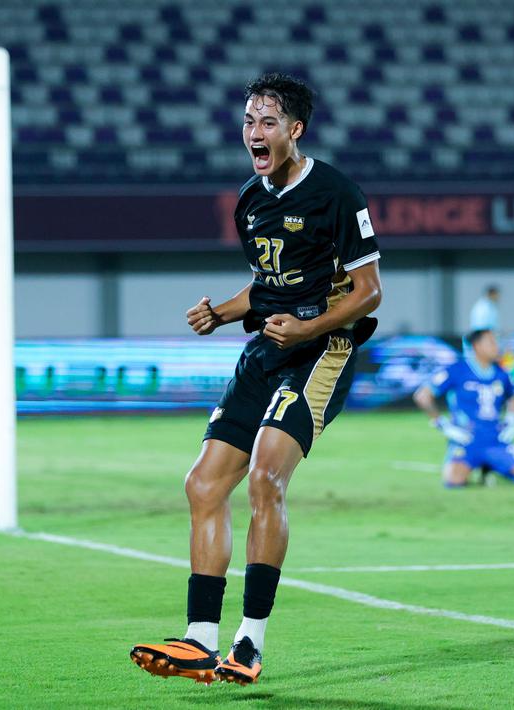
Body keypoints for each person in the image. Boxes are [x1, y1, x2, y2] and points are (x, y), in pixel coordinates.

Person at [129, 73, 382, 686]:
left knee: (266, 478)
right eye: (248, 121)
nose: (254, 132)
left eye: (268, 122)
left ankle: (249, 641)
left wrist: (308, 327)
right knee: (202, 484)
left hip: (320, 350)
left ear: (295, 130)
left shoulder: (336, 193)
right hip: (266, 350)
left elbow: (369, 292)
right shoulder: (249, 199)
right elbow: (267, 286)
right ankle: (199, 639)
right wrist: (221, 312)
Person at [413, 329, 514, 487]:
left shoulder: (501, 373)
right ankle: (481, 467)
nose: (496, 347)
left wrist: (512, 421)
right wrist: (443, 425)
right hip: (467, 439)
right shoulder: (457, 370)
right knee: (453, 481)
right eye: (491, 342)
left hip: (496, 438)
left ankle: (492, 466)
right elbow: (423, 396)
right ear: (477, 346)